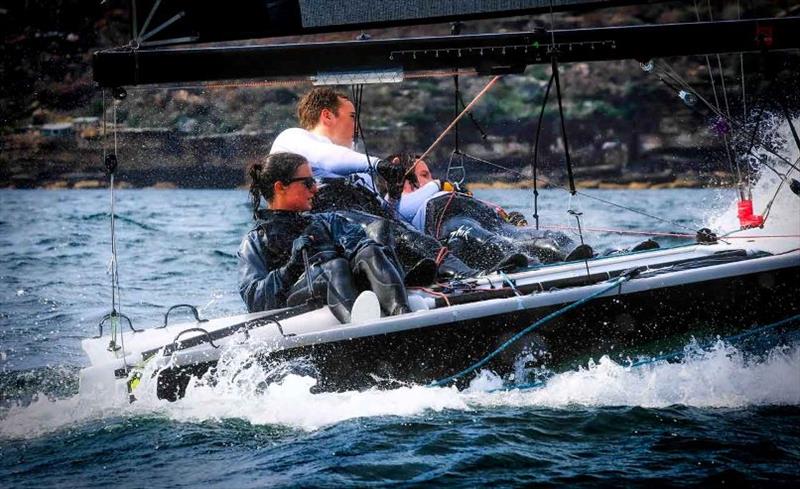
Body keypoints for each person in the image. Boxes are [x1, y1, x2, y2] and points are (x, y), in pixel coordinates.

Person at [237, 152, 411, 323]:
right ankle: (356, 325)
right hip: (297, 305)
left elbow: (361, 247)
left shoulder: (327, 221)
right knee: (334, 266)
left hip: (341, 286)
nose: (315, 188)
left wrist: (359, 247)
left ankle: (402, 314)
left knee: (370, 250)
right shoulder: (255, 241)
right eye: (308, 183)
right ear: (280, 187)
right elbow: (254, 300)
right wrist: (291, 268)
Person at [388, 154, 594, 270]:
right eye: (424, 174)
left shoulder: (444, 191)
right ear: (405, 179)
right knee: (479, 235)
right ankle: (532, 268)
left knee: (541, 237)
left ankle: (584, 258)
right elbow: (398, 213)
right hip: (456, 227)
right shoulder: (396, 201)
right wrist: (437, 184)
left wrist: (509, 217)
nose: (431, 178)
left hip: (485, 219)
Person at [269, 87, 404, 200]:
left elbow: (385, 217)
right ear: (327, 116)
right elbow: (326, 158)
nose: (357, 126)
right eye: (352, 117)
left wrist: (393, 196)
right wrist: (377, 164)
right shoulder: (291, 138)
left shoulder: (361, 172)